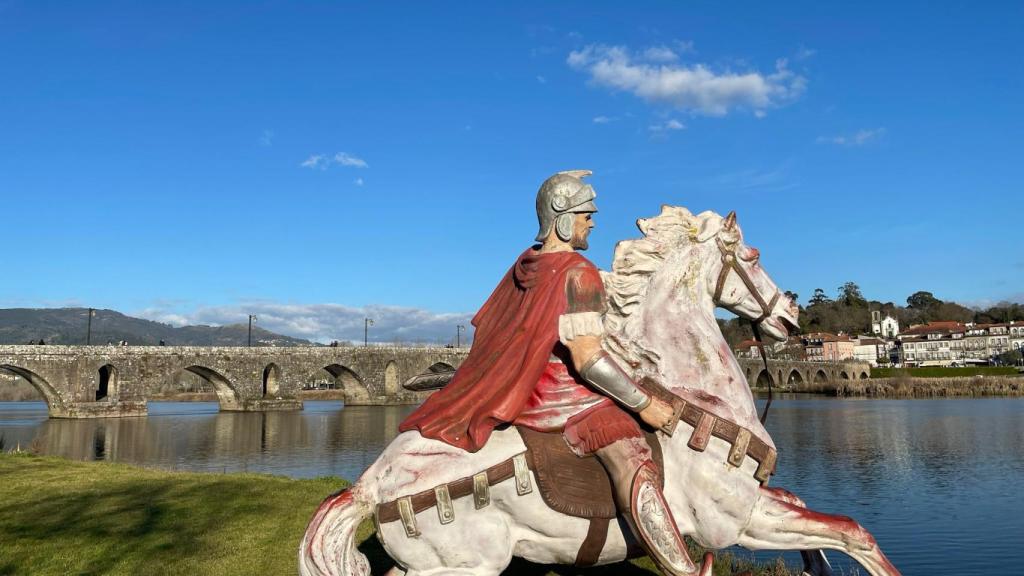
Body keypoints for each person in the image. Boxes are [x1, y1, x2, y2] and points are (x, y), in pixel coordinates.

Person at [399, 170, 696, 575]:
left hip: (522, 396)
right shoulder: (579, 272)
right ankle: (683, 568)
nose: (592, 223)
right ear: (562, 216)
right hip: (567, 401)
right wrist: (644, 405)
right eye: (586, 214)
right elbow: (587, 360)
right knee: (634, 459)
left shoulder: (525, 265)